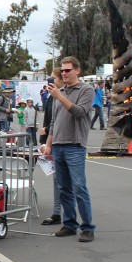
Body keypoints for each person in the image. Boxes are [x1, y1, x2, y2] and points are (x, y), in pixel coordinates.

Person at [42, 57, 95, 242]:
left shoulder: (86, 90)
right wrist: (49, 144)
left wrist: (59, 97)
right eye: (62, 71)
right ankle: (70, 224)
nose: (64, 73)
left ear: (77, 70)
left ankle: (87, 227)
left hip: (75, 145)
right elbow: (54, 121)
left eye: (67, 70)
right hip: (58, 145)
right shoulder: (60, 91)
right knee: (63, 188)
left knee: (79, 187)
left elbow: (79, 112)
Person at [39, 67, 63, 225]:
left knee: (72, 181)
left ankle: (69, 213)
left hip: (65, 141)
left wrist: (47, 130)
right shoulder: (49, 99)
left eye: (53, 77)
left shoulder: (64, 96)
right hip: (52, 140)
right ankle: (56, 212)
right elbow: (48, 120)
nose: (51, 80)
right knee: (56, 179)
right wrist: (43, 140)